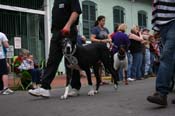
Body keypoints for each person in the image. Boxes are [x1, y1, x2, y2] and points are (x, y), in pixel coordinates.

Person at [28, 0, 82, 97]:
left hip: (68, 31)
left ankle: (75, 87)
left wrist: (68, 25)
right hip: (57, 33)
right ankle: (45, 88)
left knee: (70, 61)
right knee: (52, 59)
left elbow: (76, 12)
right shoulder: (56, 1)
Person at [147, 0, 175, 106]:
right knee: (172, 59)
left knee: (167, 57)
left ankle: (161, 93)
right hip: (163, 26)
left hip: (173, 22)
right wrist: (157, 28)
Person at [91, 15, 112, 84]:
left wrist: (110, 42)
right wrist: (101, 41)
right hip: (96, 48)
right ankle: (98, 80)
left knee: (102, 64)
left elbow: (109, 38)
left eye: (104, 21)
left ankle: (100, 80)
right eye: (103, 21)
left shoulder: (106, 29)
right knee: (97, 64)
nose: (104, 22)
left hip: (104, 48)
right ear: (99, 21)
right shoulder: (95, 29)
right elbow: (92, 39)